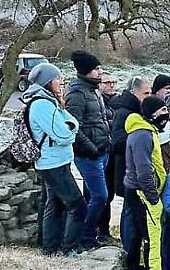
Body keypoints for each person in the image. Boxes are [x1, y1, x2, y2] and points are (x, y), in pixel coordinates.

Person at [24, 63, 85, 258]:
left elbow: (71, 121)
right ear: (48, 82)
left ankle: (50, 247)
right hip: (53, 163)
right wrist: (72, 130)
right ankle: (68, 248)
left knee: (55, 204)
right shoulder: (42, 104)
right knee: (77, 205)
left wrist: (70, 126)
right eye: (57, 79)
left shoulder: (49, 101)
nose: (61, 82)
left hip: (56, 160)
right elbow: (64, 135)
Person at [65, 50, 111, 250]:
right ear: (85, 71)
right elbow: (74, 127)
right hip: (89, 155)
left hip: (101, 151)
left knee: (92, 196)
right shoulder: (77, 94)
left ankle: (89, 236)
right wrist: (91, 148)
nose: (100, 72)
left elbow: (98, 120)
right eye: (96, 69)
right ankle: (85, 235)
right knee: (100, 196)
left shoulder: (94, 90)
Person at [123, 96, 168, 270]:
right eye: (163, 110)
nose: (166, 114)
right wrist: (153, 198)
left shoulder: (149, 130)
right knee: (151, 234)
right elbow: (143, 170)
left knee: (138, 233)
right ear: (152, 113)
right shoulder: (142, 135)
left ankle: (135, 265)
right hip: (142, 192)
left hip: (141, 191)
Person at [111, 76, 152, 256]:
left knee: (134, 212)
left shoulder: (138, 109)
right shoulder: (124, 113)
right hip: (127, 170)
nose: (149, 96)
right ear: (134, 92)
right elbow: (118, 142)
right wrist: (140, 140)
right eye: (146, 93)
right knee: (129, 212)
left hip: (134, 169)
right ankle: (129, 249)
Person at [98, 71, 119, 245]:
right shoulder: (97, 102)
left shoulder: (117, 102)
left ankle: (104, 230)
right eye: (107, 82)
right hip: (100, 153)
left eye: (113, 82)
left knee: (109, 194)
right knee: (99, 195)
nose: (111, 85)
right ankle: (99, 230)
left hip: (114, 155)